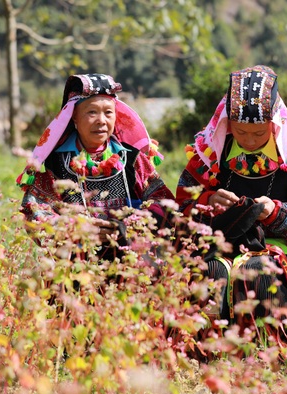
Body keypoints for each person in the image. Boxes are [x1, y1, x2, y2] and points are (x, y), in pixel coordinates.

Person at [175, 65, 287, 346]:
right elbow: (182, 203)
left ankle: (273, 354)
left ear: (275, 123)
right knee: (212, 271)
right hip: (218, 246)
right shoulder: (209, 154)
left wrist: (276, 212)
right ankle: (206, 354)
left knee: (258, 269)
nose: (249, 141)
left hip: (279, 250)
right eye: (241, 132)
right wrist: (208, 201)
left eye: (259, 134)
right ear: (227, 123)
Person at [17, 73, 176, 262]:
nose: (101, 120)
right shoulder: (56, 164)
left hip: (130, 259)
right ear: (74, 117)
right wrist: (78, 229)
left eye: (108, 112)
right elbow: (35, 211)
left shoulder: (132, 159)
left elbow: (164, 204)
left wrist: (126, 226)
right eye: (92, 112)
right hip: (76, 265)